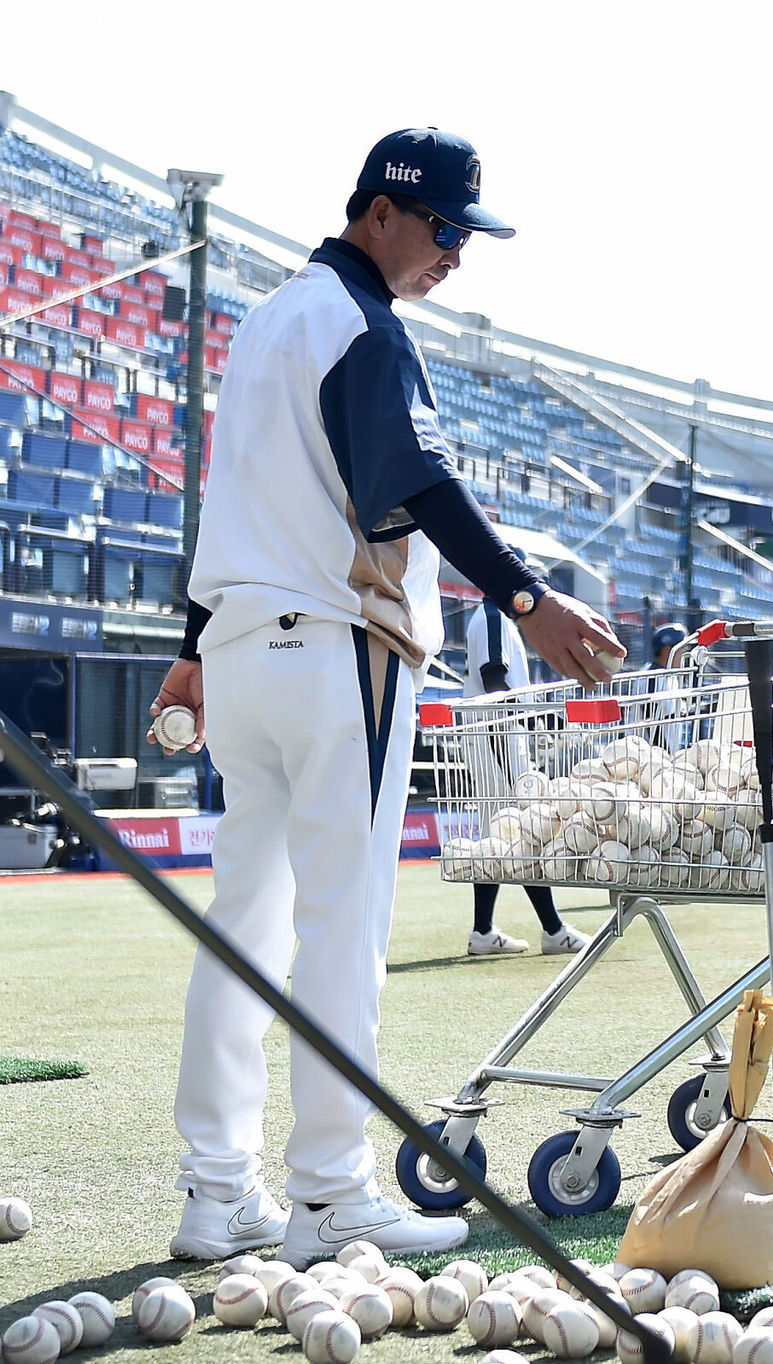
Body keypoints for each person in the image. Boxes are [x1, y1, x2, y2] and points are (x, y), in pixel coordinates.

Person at [147, 126, 624, 1270]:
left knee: (244, 925)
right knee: (341, 930)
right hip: (333, 650)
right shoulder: (361, 324)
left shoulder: (267, 319)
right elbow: (409, 481)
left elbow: (231, 500)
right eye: (448, 228)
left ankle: (218, 1191)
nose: (456, 253)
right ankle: (330, 1195)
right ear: (382, 212)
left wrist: (194, 643)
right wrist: (526, 599)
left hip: (248, 651)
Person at [463, 559, 590, 958]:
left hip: (493, 739)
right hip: (497, 740)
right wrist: (517, 743)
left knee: (497, 839)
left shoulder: (488, 617)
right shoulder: (494, 618)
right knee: (524, 831)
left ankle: (483, 931)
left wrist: (533, 719)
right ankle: (553, 930)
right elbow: (494, 681)